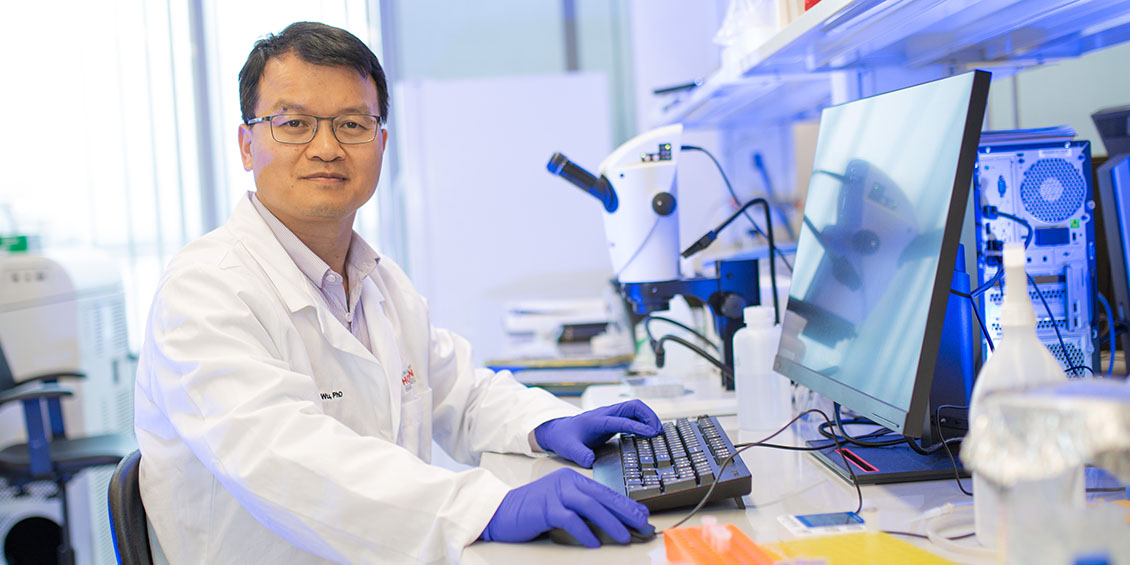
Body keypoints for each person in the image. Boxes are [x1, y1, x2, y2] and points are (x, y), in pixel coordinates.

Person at [133, 21, 661, 564]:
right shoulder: (205, 291)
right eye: (294, 124)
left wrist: (547, 421)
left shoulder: (375, 279)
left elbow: (459, 391)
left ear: (380, 144)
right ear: (248, 145)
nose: (326, 148)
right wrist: (483, 507)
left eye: (352, 124)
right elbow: (287, 461)